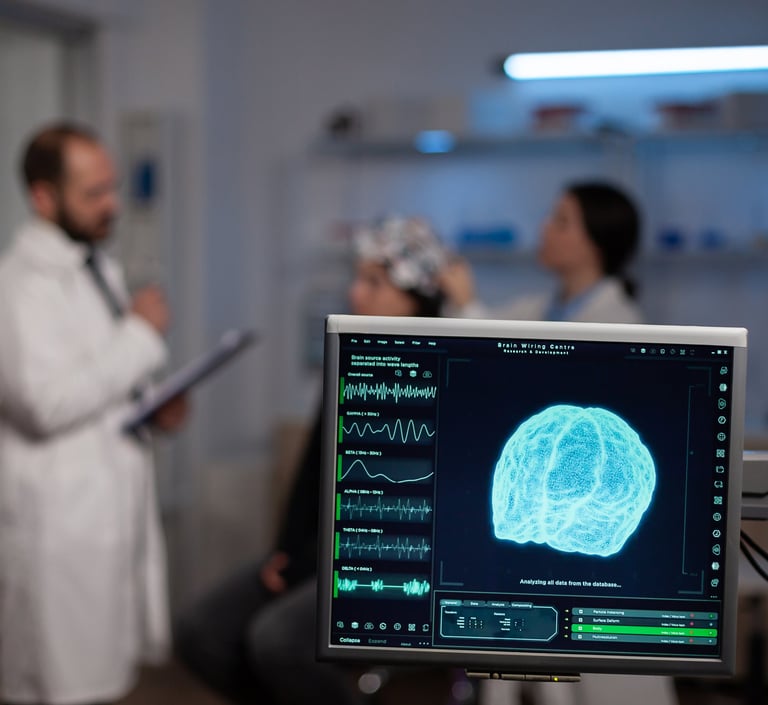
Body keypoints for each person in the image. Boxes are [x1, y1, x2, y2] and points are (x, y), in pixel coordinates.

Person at [174, 216, 455, 705]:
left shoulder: (443, 374)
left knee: (277, 640)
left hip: (387, 566)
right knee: (200, 630)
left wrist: (314, 565)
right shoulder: (352, 356)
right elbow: (314, 472)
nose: (355, 295)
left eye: (374, 282)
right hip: (316, 554)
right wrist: (288, 551)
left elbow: (406, 515)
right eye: (357, 278)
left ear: (417, 296)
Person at [0, 122, 186, 705]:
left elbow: (101, 377)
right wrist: (139, 335)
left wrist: (154, 406)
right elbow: (45, 404)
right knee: (56, 685)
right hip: (58, 525)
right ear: (43, 197)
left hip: (109, 509)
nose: (112, 205)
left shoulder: (95, 267)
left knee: (105, 679)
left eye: (113, 188)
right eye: (93, 193)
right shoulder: (18, 286)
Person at [440, 180, 644, 324]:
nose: (544, 228)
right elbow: (489, 327)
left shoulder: (617, 322)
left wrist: (467, 304)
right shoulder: (541, 308)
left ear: (597, 242)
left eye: (561, 221)